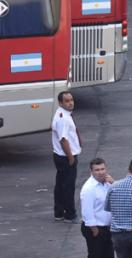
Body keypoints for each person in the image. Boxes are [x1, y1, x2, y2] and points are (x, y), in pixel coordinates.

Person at [79, 158, 115, 258]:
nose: (100, 172)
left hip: (106, 227)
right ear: (91, 171)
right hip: (95, 228)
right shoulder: (89, 188)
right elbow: (87, 211)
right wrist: (94, 230)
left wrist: (114, 184)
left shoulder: (107, 184)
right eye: (97, 170)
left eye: (102, 169)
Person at [51, 91, 82, 223]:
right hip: (65, 156)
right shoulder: (63, 118)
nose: (70, 103)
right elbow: (63, 140)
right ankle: (70, 214)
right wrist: (71, 157)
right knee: (68, 186)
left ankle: (59, 212)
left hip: (59, 155)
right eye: (67, 101)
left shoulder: (61, 114)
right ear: (60, 103)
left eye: (71, 100)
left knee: (60, 185)